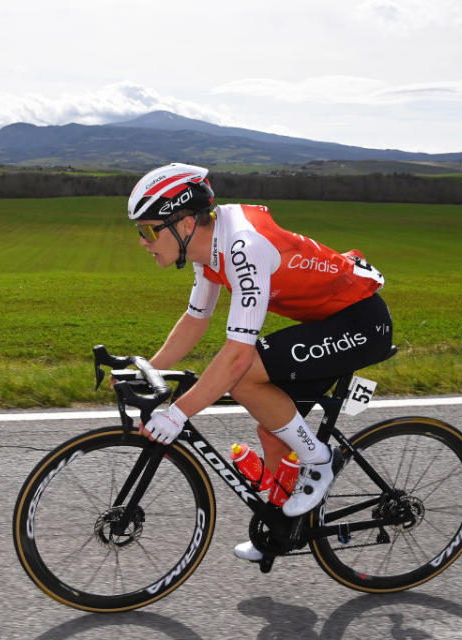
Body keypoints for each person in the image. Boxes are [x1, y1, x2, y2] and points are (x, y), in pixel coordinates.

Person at [127, 163, 392, 562]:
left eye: (148, 230)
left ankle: (319, 461)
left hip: (360, 322)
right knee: (273, 427)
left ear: (182, 223)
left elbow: (236, 357)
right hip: (327, 323)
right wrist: (149, 369)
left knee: (246, 378)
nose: (143, 242)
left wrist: (177, 414)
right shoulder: (208, 248)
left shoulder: (243, 248)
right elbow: (196, 321)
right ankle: (284, 527)